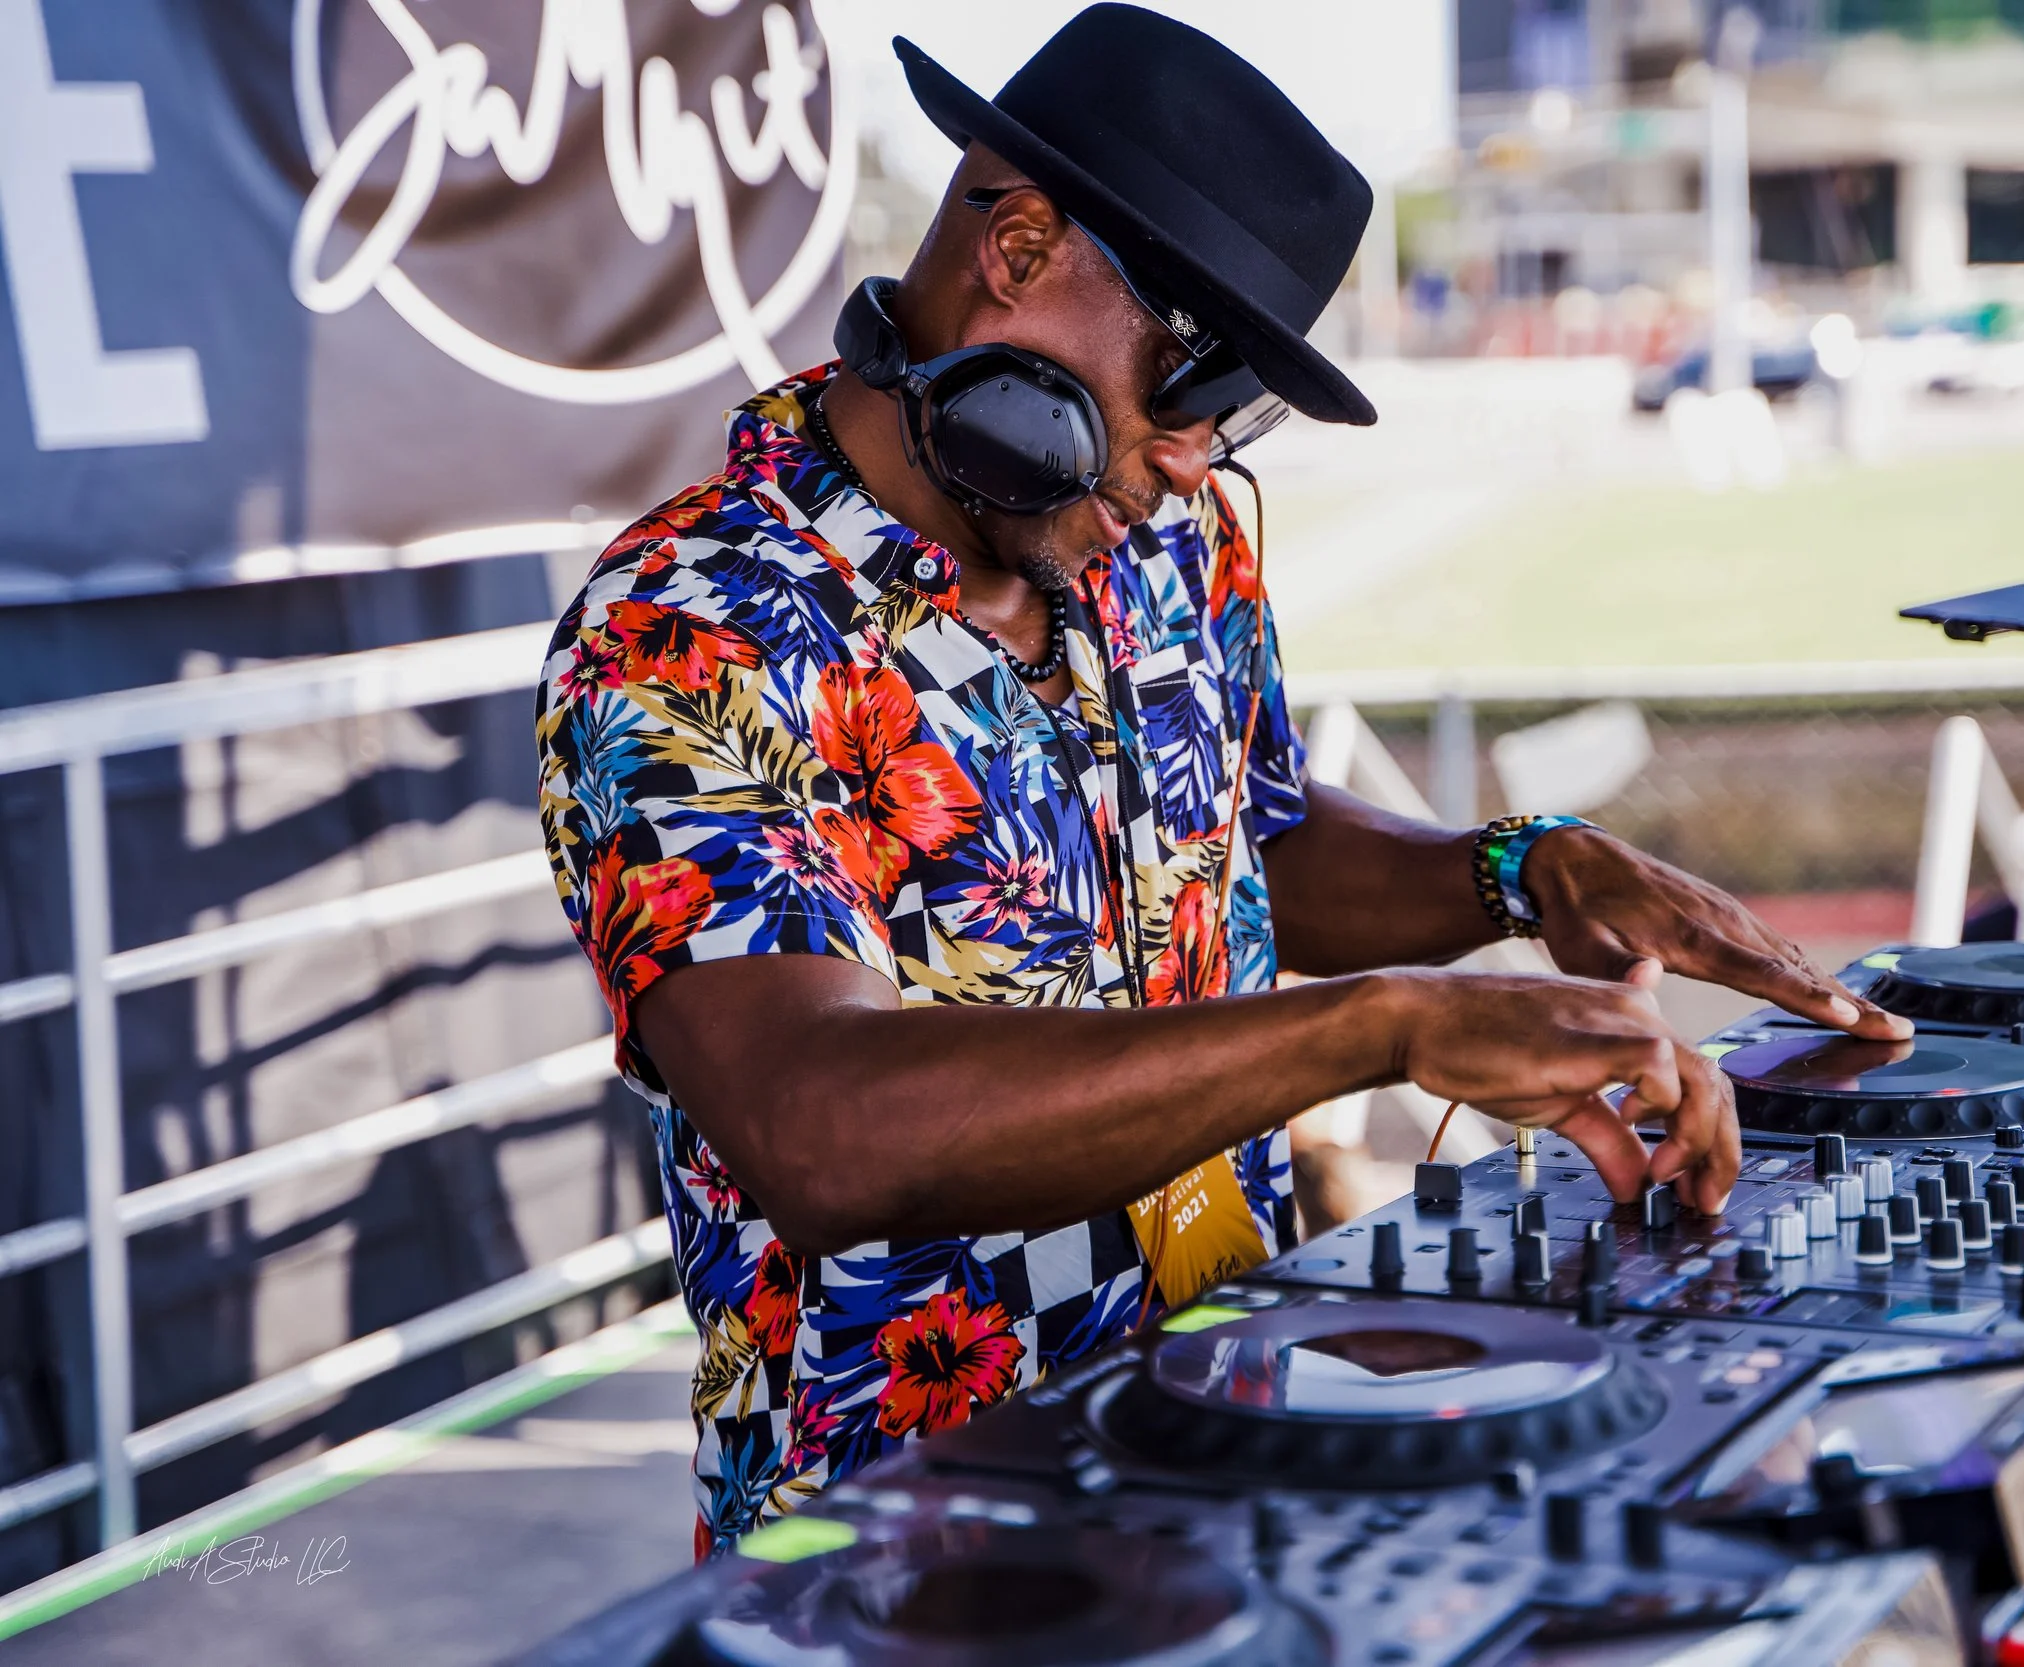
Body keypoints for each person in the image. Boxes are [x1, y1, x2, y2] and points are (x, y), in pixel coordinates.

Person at [534, 4, 1909, 1554]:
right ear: (1024, 242)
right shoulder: (686, 625)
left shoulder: (1167, 540)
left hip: (1228, 1448)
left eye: (1233, 414)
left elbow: (1246, 846)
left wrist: (1517, 871)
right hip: (903, 1551)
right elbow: (824, 1128)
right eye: (1192, 386)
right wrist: (1384, 1026)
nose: (1197, 459)